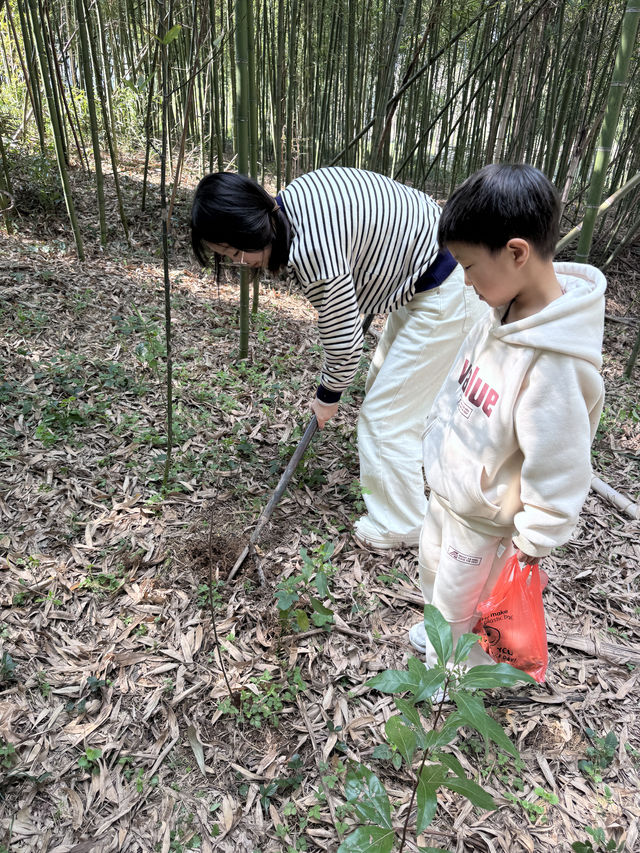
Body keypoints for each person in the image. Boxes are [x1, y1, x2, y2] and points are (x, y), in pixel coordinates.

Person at [191, 167, 486, 550]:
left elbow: (345, 344)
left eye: (234, 252)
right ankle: (412, 474)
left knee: (385, 419)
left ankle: (405, 523)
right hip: (427, 272)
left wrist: (327, 397)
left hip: (449, 283)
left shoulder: (311, 252)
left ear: (250, 227)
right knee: (384, 389)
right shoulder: (294, 198)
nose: (241, 262)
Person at [408, 163, 606, 670]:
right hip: (452, 493)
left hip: (486, 519)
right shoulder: (501, 310)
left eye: (470, 267)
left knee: (462, 601)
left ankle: (451, 674)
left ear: (517, 253)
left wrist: (535, 540)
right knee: (434, 573)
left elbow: (559, 463)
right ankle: (440, 631)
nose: (465, 280)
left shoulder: (554, 363)